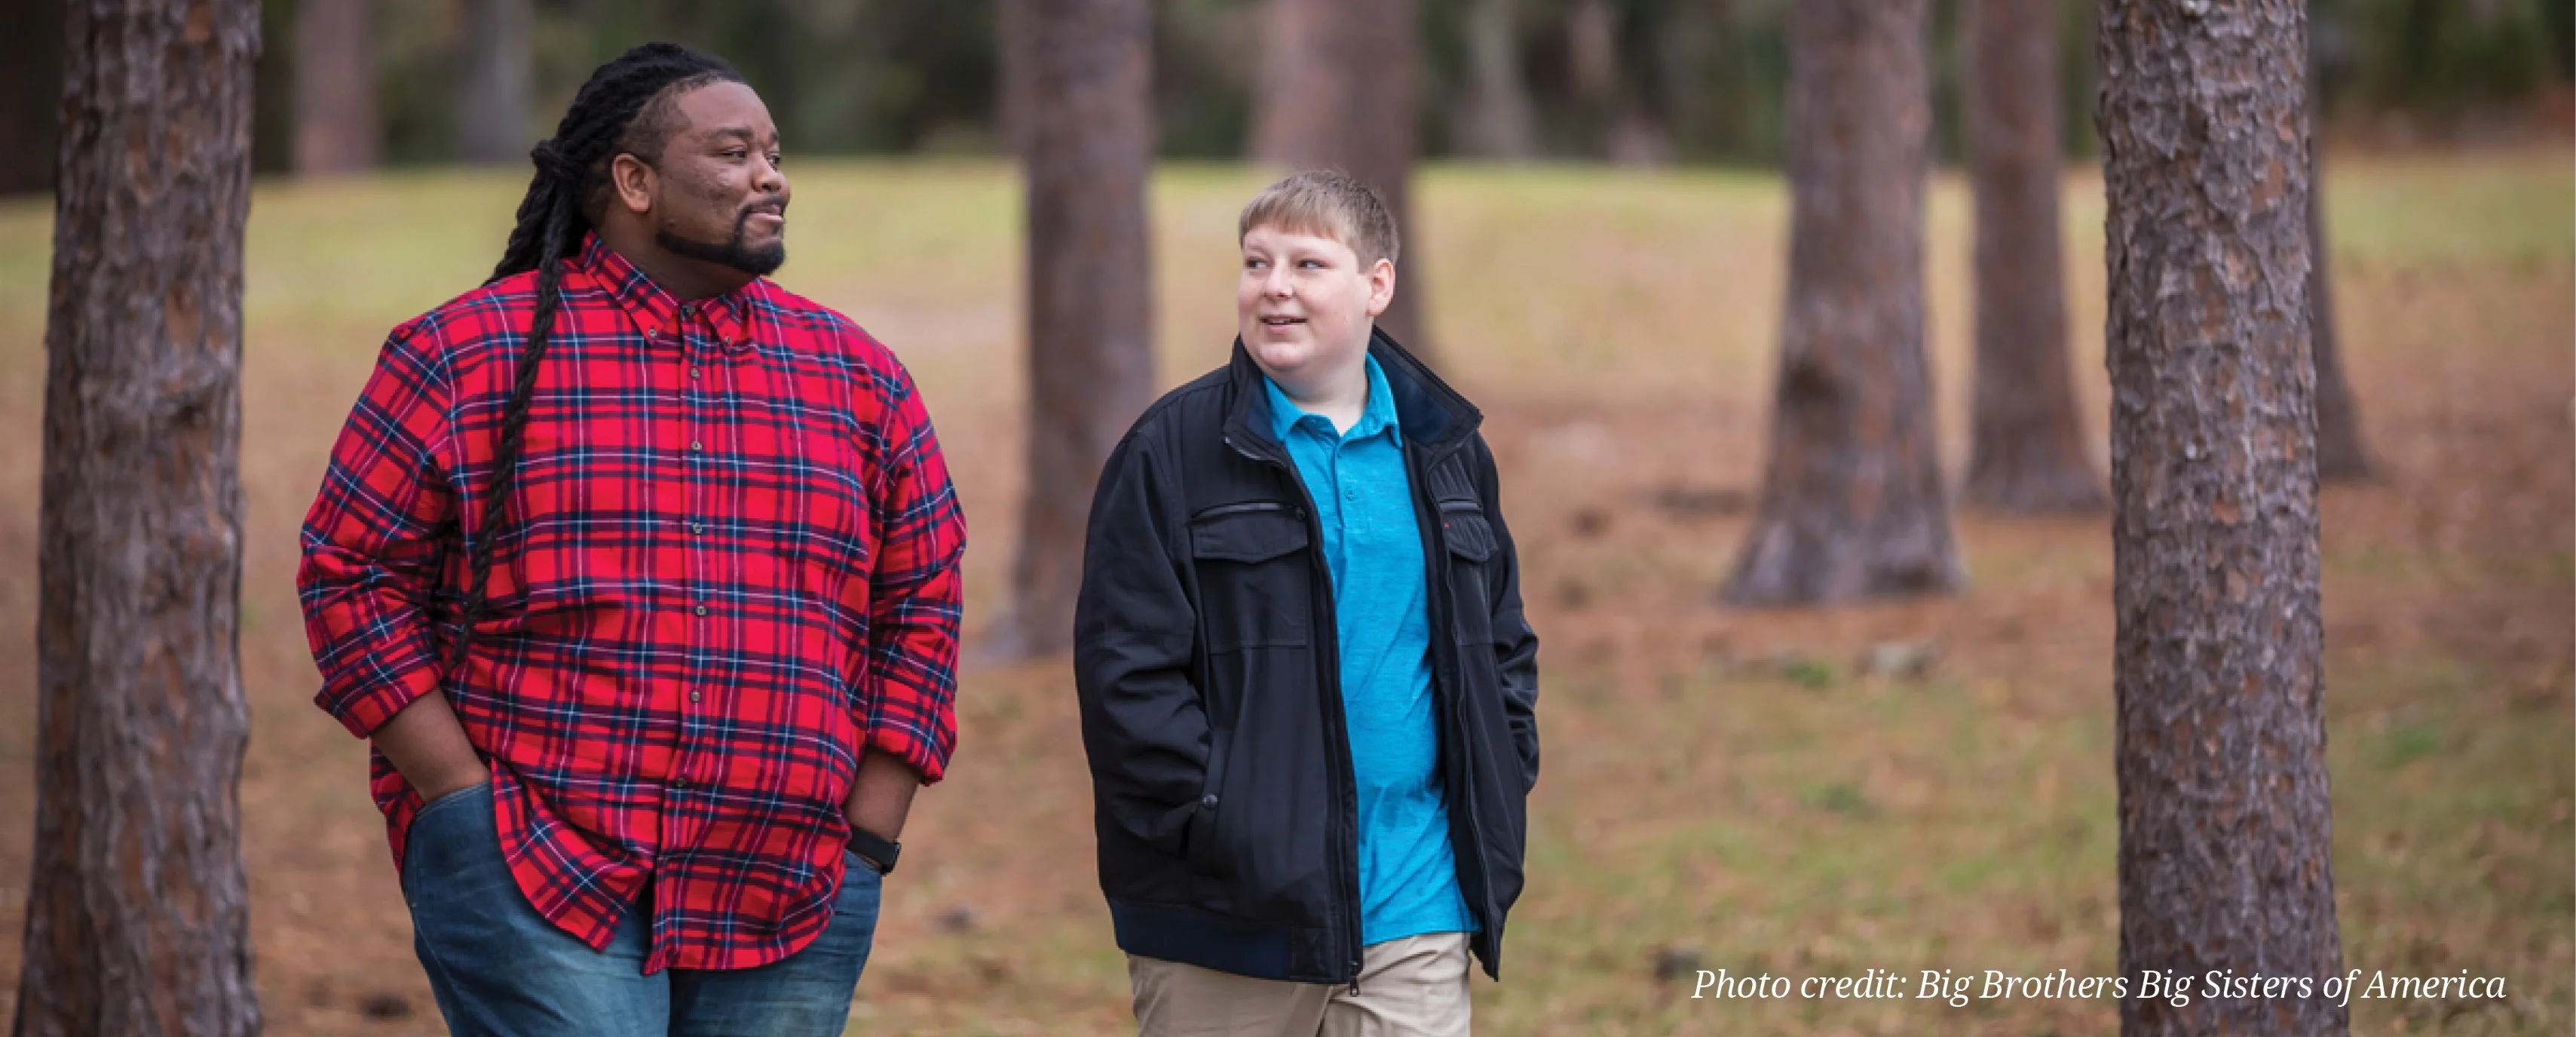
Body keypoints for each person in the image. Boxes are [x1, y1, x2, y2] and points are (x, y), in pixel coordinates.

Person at [296, 42, 966, 1036]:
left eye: (774, 153)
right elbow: (350, 572)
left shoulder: (858, 378)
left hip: (789, 885)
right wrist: (455, 793)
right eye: (734, 152)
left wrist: (866, 839)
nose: (771, 176)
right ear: (634, 180)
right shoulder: (467, 354)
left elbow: (922, 605)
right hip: (534, 864)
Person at [1073, 170, 1542, 1036]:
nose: (1274, 286)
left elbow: (1500, 644)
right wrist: (1218, 826)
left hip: (1416, 898)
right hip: (1227, 914)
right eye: (1257, 262)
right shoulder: (1169, 452)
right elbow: (1126, 675)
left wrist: (1501, 777)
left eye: (1307, 263)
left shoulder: (1447, 453)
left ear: (1377, 285)